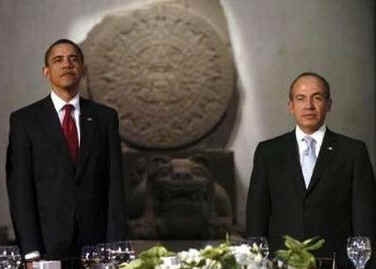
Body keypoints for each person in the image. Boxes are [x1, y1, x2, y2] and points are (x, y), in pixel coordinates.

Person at [6, 39, 127, 265]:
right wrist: (30, 251)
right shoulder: (25, 120)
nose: (67, 64)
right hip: (47, 246)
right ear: (46, 71)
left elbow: (115, 185)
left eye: (73, 59)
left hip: (96, 246)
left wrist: (116, 247)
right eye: (58, 60)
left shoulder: (105, 118)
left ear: (82, 69)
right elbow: (20, 189)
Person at [246, 72, 376, 268]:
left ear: (329, 104)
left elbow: (365, 218)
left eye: (317, 97)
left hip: (337, 263)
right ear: (291, 106)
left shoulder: (353, 152)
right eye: (301, 98)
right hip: (281, 263)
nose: (309, 106)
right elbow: (256, 215)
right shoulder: (268, 152)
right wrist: (255, 261)